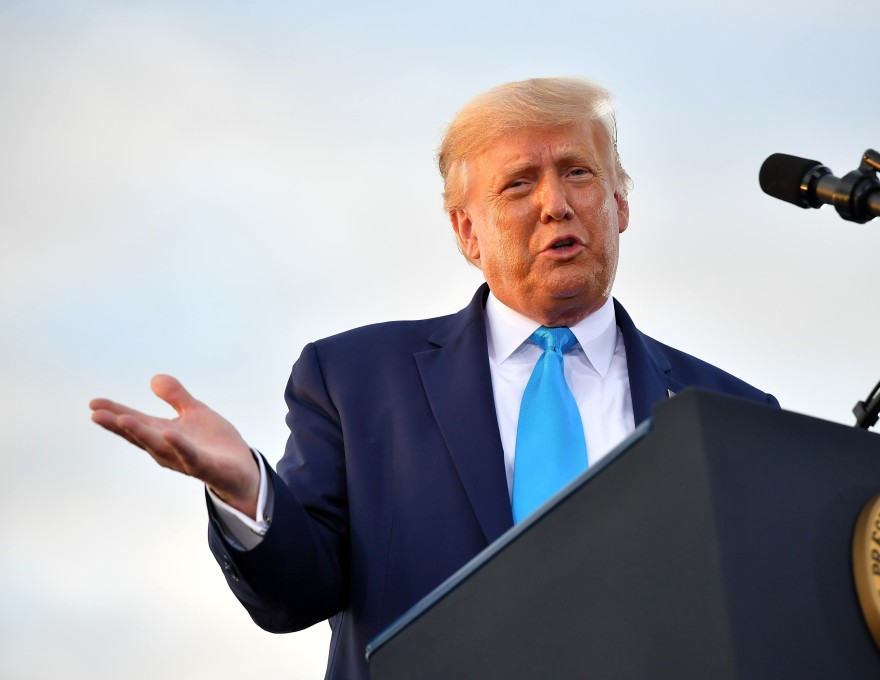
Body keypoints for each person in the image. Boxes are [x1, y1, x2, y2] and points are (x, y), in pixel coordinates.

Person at [90, 77, 778, 680]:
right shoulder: (354, 382)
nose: (555, 204)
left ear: (620, 204)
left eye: (578, 172)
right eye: (519, 183)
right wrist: (246, 490)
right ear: (467, 231)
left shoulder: (734, 413)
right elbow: (297, 595)